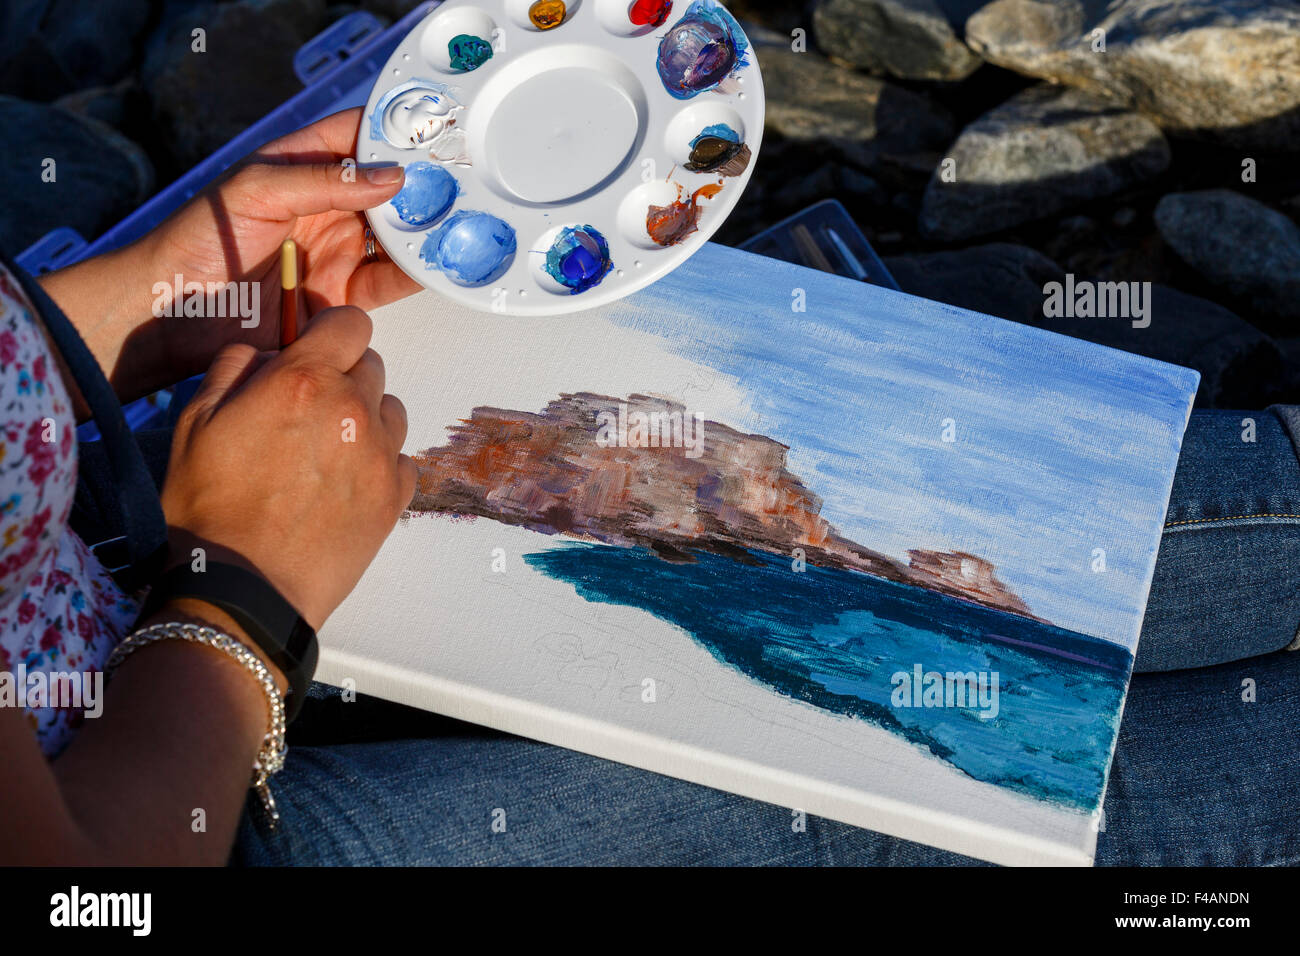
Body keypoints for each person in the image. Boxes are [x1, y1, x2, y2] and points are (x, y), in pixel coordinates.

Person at [0, 110, 1297, 866]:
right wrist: (235, 599)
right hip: (189, 813)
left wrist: (131, 301)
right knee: (941, 791)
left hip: (118, 562)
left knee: (1115, 529)